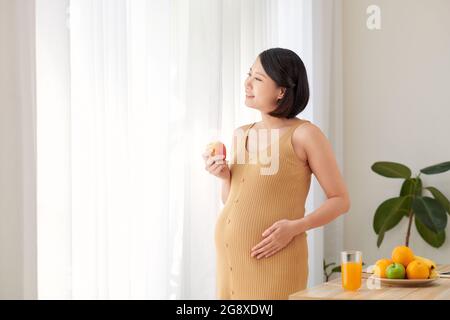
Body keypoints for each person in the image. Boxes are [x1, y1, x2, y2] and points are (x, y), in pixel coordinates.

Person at [202, 48, 350, 300]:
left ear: (281, 91)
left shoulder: (305, 135)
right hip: (230, 261)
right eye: (249, 75)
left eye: (258, 79)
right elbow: (233, 200)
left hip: (276, 260)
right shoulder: (241, 133)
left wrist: (296, 227)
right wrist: (224, 177)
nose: (247, 83)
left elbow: (340, 200)